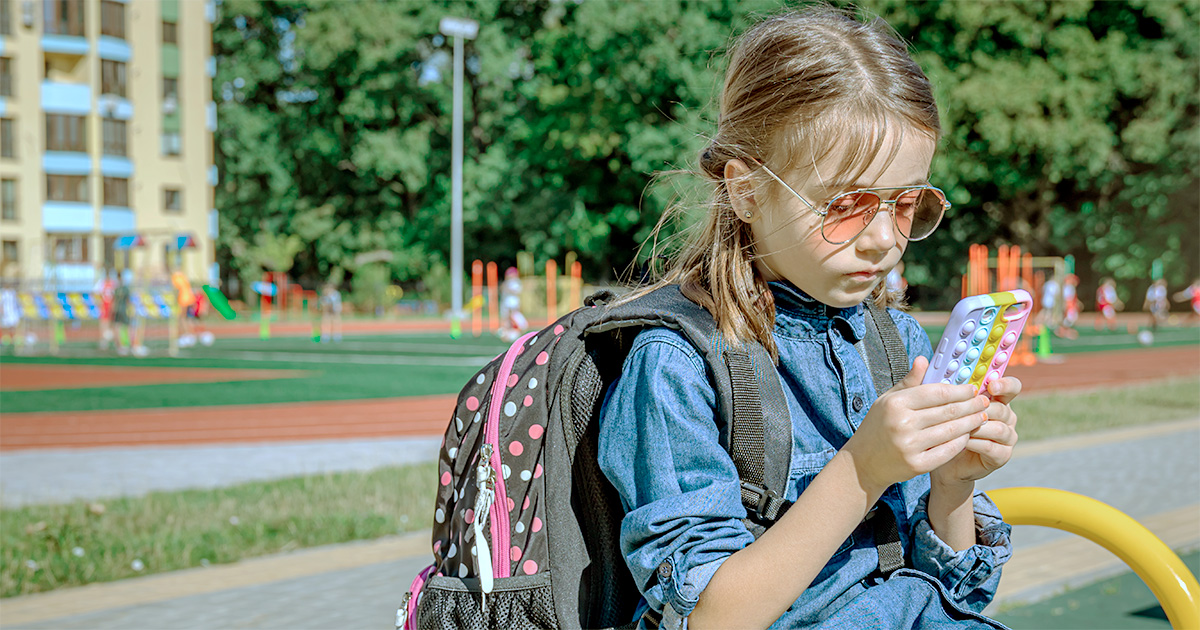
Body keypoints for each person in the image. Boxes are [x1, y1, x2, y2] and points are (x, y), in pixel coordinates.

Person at [597, 8, 1021, 629]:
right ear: (745, 190)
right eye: (846, 205)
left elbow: (948, 595)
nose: (882, 239)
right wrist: (864, 467)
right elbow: (711, 619)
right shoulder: (680, 365)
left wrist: (953, 485)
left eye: (906, 204)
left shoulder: (896, 341)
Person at [498, 267, 527, 343]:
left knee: (515, 319)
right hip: (507, 304)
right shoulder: (507, 283)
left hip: (513, 305)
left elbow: (516, 292)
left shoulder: (516, 283)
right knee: (507, 319)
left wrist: (508, 289)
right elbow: (502, 289)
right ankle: (507, 333)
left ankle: (515, 333)